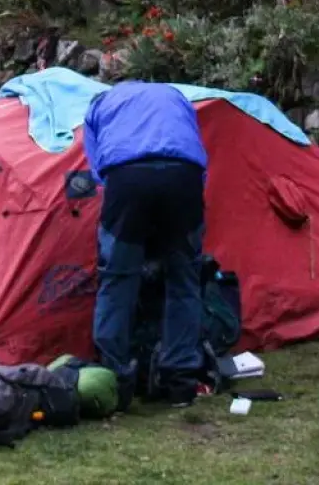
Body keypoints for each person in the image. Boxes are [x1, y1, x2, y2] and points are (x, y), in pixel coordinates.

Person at [82, 81, 207, 411]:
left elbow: (97, 172)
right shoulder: (177, 97)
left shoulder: (100, 104)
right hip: (184, 176)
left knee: (118, 279)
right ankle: (180, 381)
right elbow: (195, 151)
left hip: (128, 177)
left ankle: (113, 380)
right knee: (184, 280)